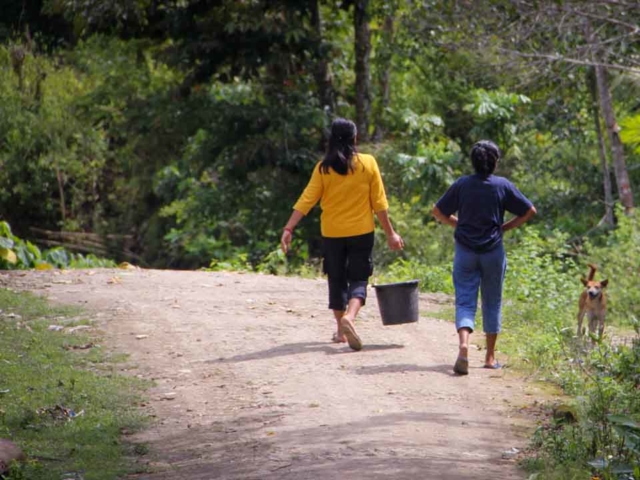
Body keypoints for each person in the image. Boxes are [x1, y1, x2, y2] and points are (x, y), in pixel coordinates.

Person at [281, 118, 404, 351]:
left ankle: (340, 330)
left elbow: (307, 199)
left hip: (332, 233)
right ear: (354, 139)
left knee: (336, 279)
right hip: (362, 232)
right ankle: (350, 316)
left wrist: (289, 228)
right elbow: (379, 203)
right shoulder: (368, 163)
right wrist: (391, 234)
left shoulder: (323, 168)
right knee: (359, 278)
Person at [432, 140, 536, 375]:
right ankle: (489, 357)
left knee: (465, 301)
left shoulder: (462, 185)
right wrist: (504, 227)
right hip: (493, 252)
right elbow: (530, 210)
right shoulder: (502, 185)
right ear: (495, 162)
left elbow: (438, 211)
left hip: (465, 251)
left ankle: (464, 346)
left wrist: (457, 223)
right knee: (492, 301)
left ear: (473, 162)